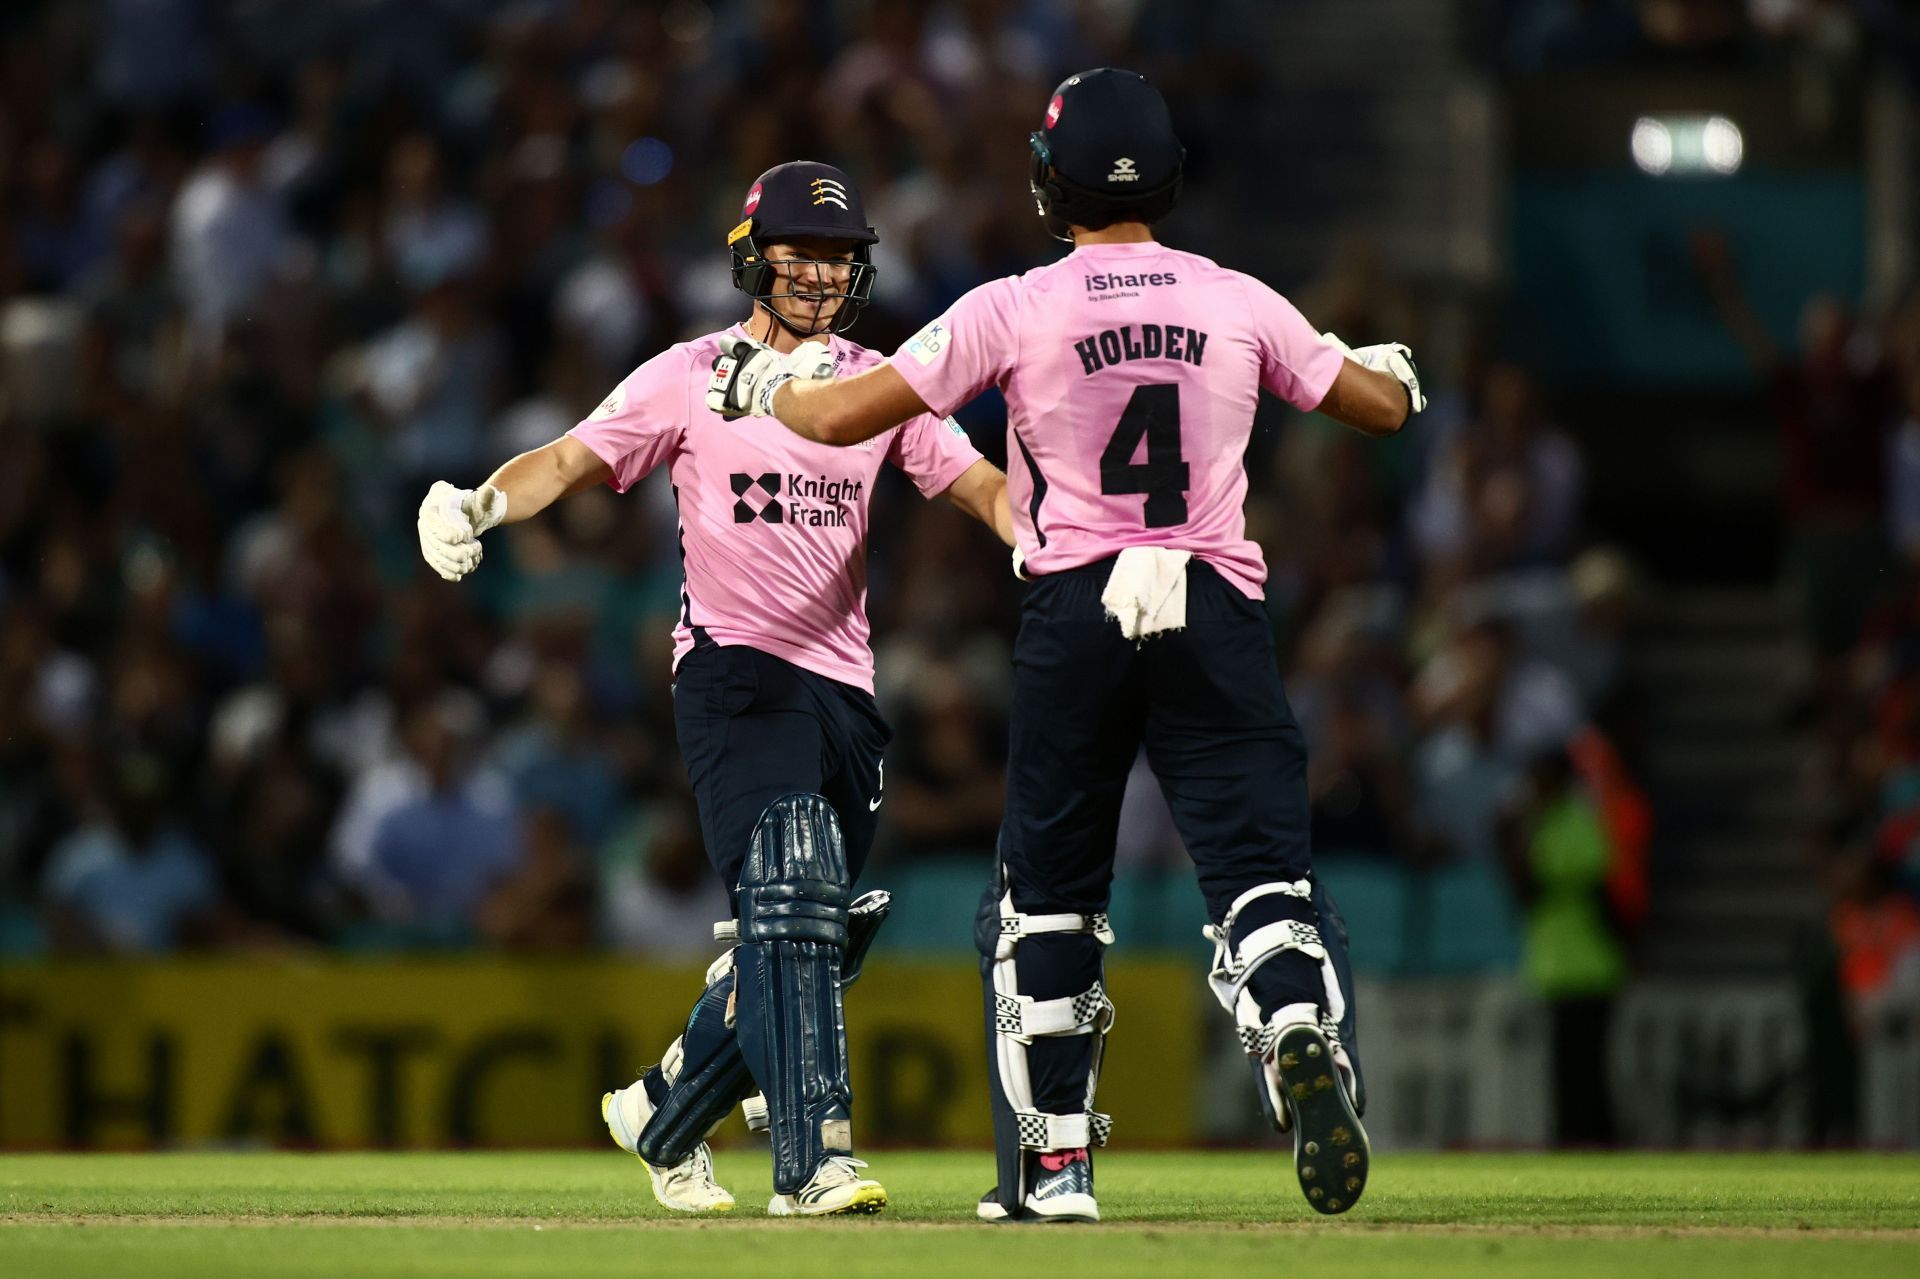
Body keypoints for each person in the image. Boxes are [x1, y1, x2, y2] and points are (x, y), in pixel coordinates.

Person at [709, 70, 1423, 1221]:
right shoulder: (1240, 298)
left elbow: (846, 415)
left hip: (1076, 603)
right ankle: (1296, 1028)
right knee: (1258, 872)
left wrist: (769, 388)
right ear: (1172, 177)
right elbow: (1379, 407)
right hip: (1212, 600)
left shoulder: (1016, 304)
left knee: (1045, 898)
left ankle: (1053, 1175)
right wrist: (1384, 364)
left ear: (1052, 181)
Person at [416, 161, 1013, 1217]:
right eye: (803, 250)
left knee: (812, 931)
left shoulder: (874, 385)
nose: (824, 272)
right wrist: (478, 504)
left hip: (846, 689)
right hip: (735, 669)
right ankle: (812, 1157)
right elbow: (568, 459)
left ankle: (661, 1108)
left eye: (840, 254)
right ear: (752, 255)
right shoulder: (687, 375)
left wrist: (1041, 535)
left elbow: (974, 481)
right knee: (792, 883)